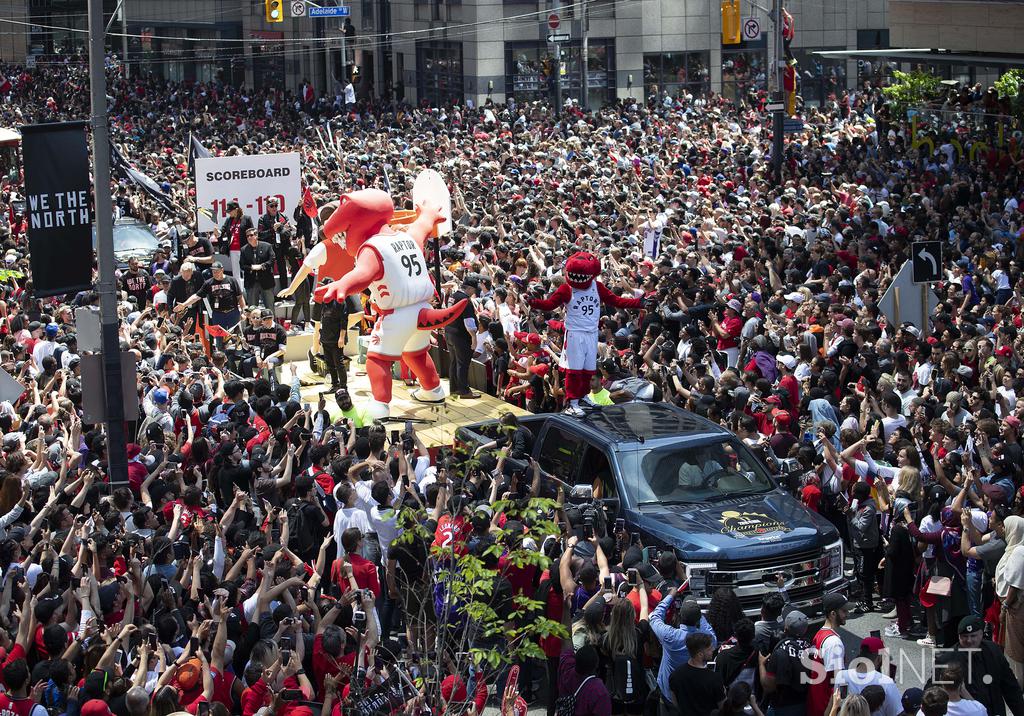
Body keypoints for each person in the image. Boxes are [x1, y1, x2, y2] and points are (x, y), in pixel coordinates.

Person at [650, 587, 717, 712]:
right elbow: (709, 632)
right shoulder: (707, 640)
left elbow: (654, 617)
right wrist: (697, 614)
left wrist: (670, 596)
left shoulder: (670, 636)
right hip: (695, 699)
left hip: (668, 697)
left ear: (680, 615)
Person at [952, 615, 1024, 716]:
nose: (969, 641)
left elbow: (1011, 689)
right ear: (958, 637)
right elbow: (935, 695)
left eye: (973, 636)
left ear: (981, 634)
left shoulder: (993, 651)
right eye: (965, 636)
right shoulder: (948, 659)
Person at [807, 594, 854, 716]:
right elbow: (837, 682)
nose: (847, 614)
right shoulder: (834, 643)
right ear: (833, 614)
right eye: (844, 611)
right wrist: (831, 711)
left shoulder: (820, 633)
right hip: (826, 707)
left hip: (816, 702)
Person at [760, 610, 812, 716]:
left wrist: (761, 664)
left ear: (785, 629)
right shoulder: (812, 648)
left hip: (783, 707)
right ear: (805, 630)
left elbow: (768, 686)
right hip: (806, 703)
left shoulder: (780, 653)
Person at [835, 638, 902, 716]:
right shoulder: (887, 683)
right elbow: (896, 712)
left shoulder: (841, 676)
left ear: (860, 653)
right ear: (879, 658)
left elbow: (837, 705)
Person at [669, 632, 725, 716]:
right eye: (709, 648)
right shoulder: (714, 679)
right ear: (700, 654)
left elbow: (675, 703)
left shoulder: (675, 675)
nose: (713, 649)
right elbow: (723, 708)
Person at [447, 275, 481, 399]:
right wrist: (474, 338)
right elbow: (469, 322)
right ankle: (464, 391)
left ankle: (454, 388)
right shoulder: (465, 300)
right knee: (463, 363)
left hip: (450, 332)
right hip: (461, 335)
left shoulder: (453, 296)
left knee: (454, 361)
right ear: (470, 288)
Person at [257, 197, 292, 292]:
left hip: (281, 248)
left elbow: (289, 232)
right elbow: (260, 235)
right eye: (271, 206)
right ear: (267, 207)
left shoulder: (282, 217)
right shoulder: (262, 219)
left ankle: (285, 292)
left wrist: (281, 229)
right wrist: (273, 229)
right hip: (269, 249)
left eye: (276, 205)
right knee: (268, 271)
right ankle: (270, 293)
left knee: (283, 271)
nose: (274, 208)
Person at [239, 226, 277, 310]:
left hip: (266, 282)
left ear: (256, 235)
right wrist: (251, 267)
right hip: (251, 282)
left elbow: (272, 260)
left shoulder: (267, 246)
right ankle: (252, 323)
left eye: (251, 235)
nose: (249, 237)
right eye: (247, 236)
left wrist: (262, 266)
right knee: (252, 309)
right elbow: (242, 265)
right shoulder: (243, 250)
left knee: (270, 308)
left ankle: (272, 323)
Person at [214, 201, 255, 281]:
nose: (229, 213)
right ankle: (239, 291)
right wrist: (217, 232)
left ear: (236, 210)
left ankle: (248, 290)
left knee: (246, 270)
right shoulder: (229, 220)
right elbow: (222, 232)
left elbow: (252, 232)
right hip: (233, 249)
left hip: (244, 249)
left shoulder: (246, 218)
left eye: (230, 211)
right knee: (236, 273)